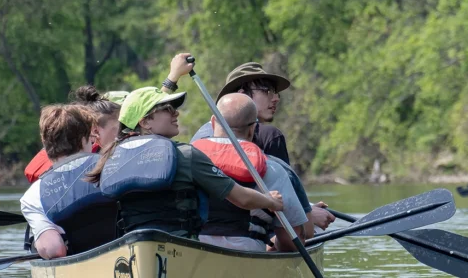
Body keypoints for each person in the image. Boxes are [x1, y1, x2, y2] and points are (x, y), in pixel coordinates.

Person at [86, 62, 284, 239]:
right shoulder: (185, 155)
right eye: (167, 109)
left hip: (131, 248)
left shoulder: (109, 158)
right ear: (145, 122)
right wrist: (270, 201)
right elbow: (242, 198)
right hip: (182, 248)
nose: (176, 112)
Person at [191, 62, 335, 230]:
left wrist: (307, 207)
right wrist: (307, 213)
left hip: (203, 230)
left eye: (275, 92)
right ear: (242, 94)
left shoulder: (200, 137)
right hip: (254, 232)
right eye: (267, 91)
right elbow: (284, 198)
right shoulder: (271, 136)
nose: (276, 98)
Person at [192, 93, 310, 252]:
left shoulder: (187, 159)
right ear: (253, 128)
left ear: (213, 123)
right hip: (247, 251)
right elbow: (292, 240)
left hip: (192, 248)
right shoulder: (273, 169)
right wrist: (274, 247)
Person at [20, 104, 115, 259]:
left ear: (46, 143)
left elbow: (55, 250)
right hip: (126, 256)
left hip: (80, 268)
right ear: (84, 138)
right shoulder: (116, 164)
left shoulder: (32, 196)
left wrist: (37, 244)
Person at [24, 86, 123, 183]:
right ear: (95, 132)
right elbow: (34, 173)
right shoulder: (77, 150)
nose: (125, 134)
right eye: (120, 128)